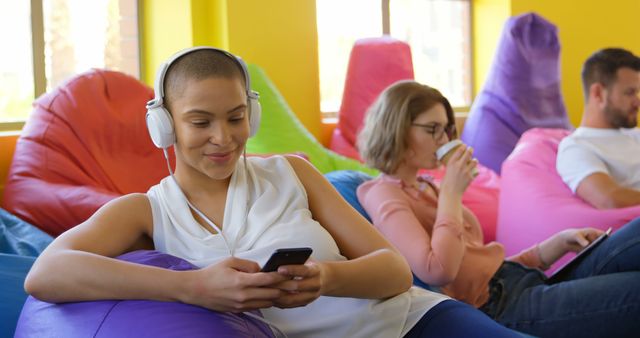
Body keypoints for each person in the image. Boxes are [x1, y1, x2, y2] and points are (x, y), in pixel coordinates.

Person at [23, 47, 520, 338]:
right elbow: (46, 273)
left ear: (252, 115)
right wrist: (194, 288)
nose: (224, 138)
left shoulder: (292, 173)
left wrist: (324, 278)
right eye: (200, 121)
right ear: (164, 125)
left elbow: (393, 270)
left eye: (237, 118)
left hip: (410, 324)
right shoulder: (146, 212)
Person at [356, 80, 640, 338]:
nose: (444, 140)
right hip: (500, 307)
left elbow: (482, 266)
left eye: (447, 129)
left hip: (518, 280)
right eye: (433, 129)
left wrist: (550, 247)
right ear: (397, 128)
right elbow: (438, 270)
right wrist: (452, 194)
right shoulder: (382, 192)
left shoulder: (427, 185)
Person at [556, 47, 640, 209]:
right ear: (598, 93)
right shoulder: (576, 147)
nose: (637, 102)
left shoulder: (635, 135)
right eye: (629, 93)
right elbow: (609, 199)